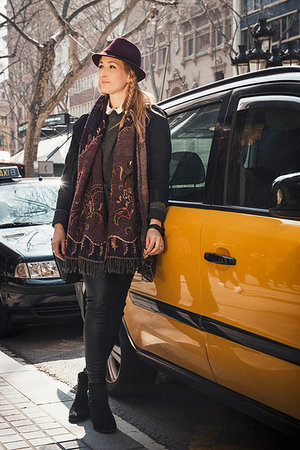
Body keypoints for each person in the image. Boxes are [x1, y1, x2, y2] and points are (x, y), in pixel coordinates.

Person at [51, 37, 171, 434]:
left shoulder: (153, 122)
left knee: (113, 307)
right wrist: (59, 222)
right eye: (100, 67)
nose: (102, 73)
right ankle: (99, 395)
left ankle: (87, 379)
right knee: (100, 306)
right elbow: (69, 179)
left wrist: (155, 223)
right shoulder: (86, 124)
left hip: (127, 230)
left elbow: (158, 181)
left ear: (131, 75)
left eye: (111, 67)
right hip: (88, 228)